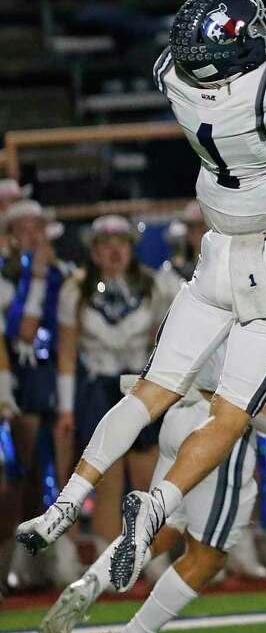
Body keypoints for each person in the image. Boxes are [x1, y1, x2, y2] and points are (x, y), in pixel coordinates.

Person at [17, 0, 266, 598]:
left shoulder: (177, 77)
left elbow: (210, 0)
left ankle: (67, 502)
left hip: (215, 255)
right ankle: (158, 503)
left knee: (150, 392)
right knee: (229, 415)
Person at [36, 207, 266, 633]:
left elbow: (228, 364)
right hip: (216, 433)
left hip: (177, 418)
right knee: (208, 554)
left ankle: (90, 583)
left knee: (164, 526)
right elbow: (239, 394)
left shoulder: (227, 275)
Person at [56, 216, 176, 547]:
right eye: (105, 244)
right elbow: (66, 353)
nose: (114, 251)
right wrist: (66, 409)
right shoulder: (75, 289)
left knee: (148, 477)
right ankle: (106, 558)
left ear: (131, 248)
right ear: (93, 251)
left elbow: (164, 343)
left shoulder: (154, 286)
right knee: (107, 478)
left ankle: (150, 554)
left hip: (141, 385)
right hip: (97, 387)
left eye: (121, 243)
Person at [2, 200, 76, 589]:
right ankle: (21, 562)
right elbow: (24, 333)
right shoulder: (8, 276)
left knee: (60, 474)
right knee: (23, 477)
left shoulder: (67, 273)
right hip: (18, 380)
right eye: (24, 228)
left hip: (57, 378)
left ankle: (55, 559)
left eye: (38, 227)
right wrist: (37, 276)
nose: (33, 236)